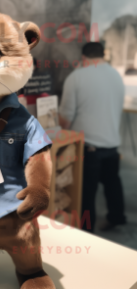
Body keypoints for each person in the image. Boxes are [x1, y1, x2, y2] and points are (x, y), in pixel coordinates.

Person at [59, 42, 126, 233]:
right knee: (112, 183)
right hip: (112, 143)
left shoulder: (77, 77)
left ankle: (87, 232)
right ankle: (117, 217)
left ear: (83, 58)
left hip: (89, 147)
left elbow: (66, 118)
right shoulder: (116, 76)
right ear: (102, 55)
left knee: (86, 193)